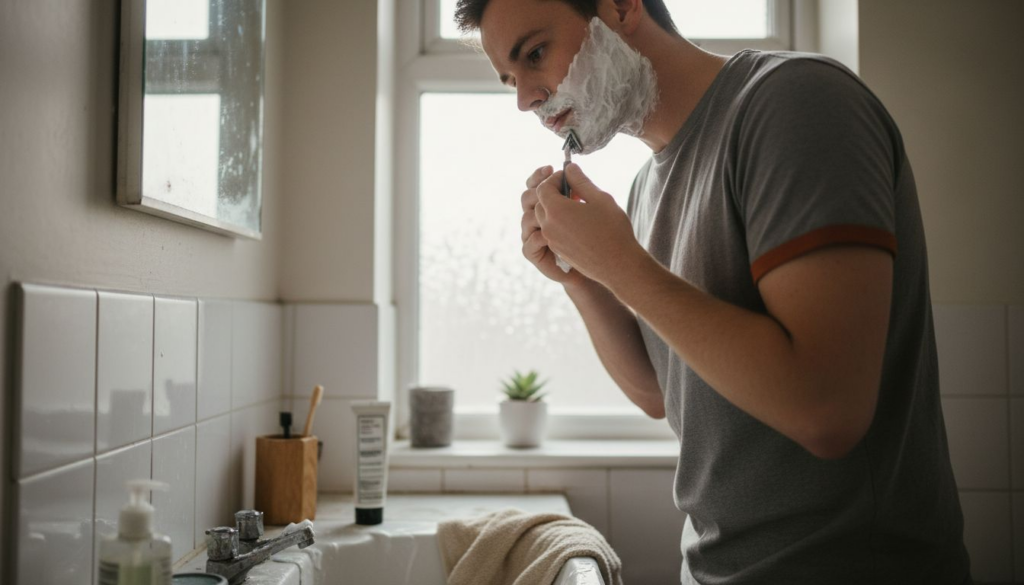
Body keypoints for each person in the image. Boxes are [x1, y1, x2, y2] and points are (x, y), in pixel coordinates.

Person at [454, 0, 972, 583]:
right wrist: (580, 276)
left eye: (536, 54)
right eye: (510, 78)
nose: (525, 98)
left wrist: (620, 264)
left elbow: (828, 410)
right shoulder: (648, 186)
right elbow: (659, 392)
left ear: (622, 7)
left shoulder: (796, 103)